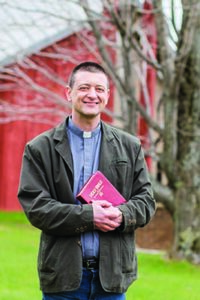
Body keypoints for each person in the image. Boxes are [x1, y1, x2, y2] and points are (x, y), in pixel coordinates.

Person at [18, 61, 156, 300]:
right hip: (62, 277)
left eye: (99, 89)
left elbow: (146, 202)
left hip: (112, 277)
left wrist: (122, 214)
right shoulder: (40, 148)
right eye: (84, 88)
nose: (92, 94)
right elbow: (37, 208)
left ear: (107, 96)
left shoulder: (129, 146)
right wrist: (89, 216)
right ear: (69, 92)